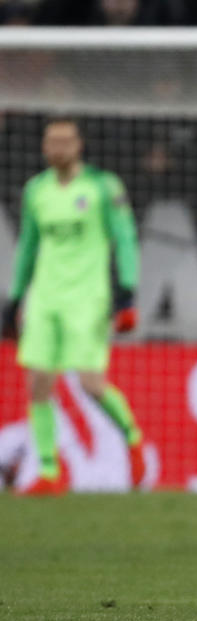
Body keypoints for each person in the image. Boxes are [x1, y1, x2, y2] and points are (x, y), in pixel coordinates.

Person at [1, 116, 147, 495]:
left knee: (90, 384)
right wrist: (15, 296)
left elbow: (125, 238)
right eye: (52, 141)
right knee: (38, 384)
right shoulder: (36, 190)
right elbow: (29, 247)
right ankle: (50, 472)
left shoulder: (103, 186)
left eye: (66, 140)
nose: (59, 148)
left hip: (89, 297)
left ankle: (131, 435)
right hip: (46, 297)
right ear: (44, 148)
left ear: (79, 145)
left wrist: (127, 292)